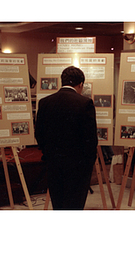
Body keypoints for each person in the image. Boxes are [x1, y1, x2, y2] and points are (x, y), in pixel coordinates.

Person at [35, 66, 98, 210]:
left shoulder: (44, 102)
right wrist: (89, 163)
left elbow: (39, 134)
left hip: (53, 164)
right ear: (80, 84)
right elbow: (90, 139)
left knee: (58, 204)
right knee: (75, 205)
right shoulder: (85, 103)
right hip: (78, 166)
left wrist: (49, 154)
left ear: (61, 81)